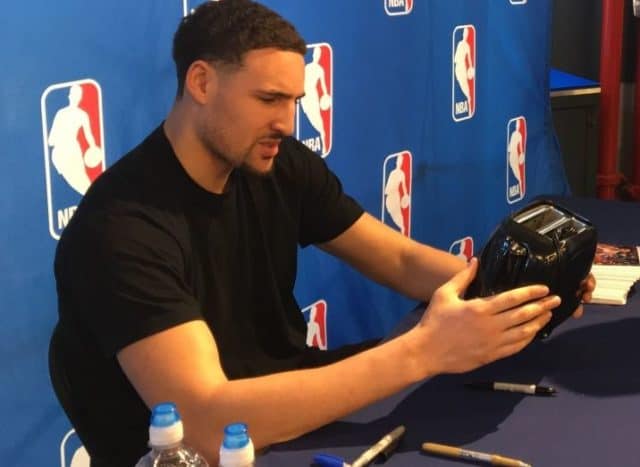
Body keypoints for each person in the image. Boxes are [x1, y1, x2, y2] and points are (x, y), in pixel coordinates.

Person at [48, 1, 595, 466]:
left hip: (297, 407)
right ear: (201, 82)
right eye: (268, 100)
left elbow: (398, 261)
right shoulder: (121, 229)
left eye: (293, 102)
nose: (287, 123)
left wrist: (520, 292)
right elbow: (206, 421)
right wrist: (423, 352)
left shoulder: (275, 162)